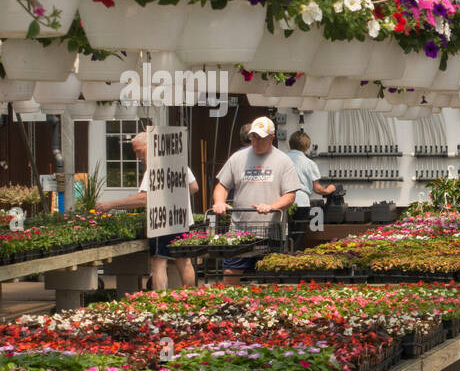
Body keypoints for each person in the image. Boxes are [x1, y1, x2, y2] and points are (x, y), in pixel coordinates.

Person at [95, 131, 200, 290]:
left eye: (139, 151)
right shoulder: (178, 163)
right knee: (184, 260)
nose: (138, 156)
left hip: (163, 221)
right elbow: (194, 187)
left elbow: (144, 198)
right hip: (183, 218)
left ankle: (160, 302)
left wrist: (110, 204)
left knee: (159, 262)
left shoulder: (154, 169)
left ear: (151, 146)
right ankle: (192, 297)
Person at [212, 116, 300, 281]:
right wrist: (219, 202)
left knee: (269, 276)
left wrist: (272, 206)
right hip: (239, 230)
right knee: (230, 273)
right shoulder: (238, 158)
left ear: (272, 137)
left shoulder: (283, 160)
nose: (256, 142)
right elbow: (222, 185)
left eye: (261, 138)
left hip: (271, 232)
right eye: (253, 137)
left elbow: (290, 195)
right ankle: (231, 305)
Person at [286, 130, 337, 208]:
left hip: (283, 201)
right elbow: (317, 189)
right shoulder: (310, 164)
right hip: (301, 202)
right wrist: (329, 189)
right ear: (307, 146)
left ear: (290, 144)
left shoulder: (282, 159)